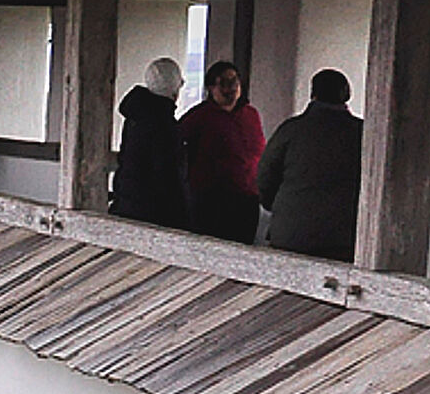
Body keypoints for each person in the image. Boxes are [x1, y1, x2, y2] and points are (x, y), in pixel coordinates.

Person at [257, 68, 362, 261]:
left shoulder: (291, 129)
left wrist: (280, 207)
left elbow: (265, 176)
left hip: (291, 235)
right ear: (346, 95)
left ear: (313, 94)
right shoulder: (361, 133)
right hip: (343, 237)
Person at [180, 60, 266, 244]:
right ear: (211, 88)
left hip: (247, 199)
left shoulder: (251, 115)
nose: (231, 88)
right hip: (212, 201)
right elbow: (176, 146)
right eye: (224, 83)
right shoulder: (199, 117)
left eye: (234, 82)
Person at [111, 57, 188, 227]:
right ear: (175, 90)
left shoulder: (135, 116)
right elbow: (168, 176)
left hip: (127, 205)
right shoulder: (165, 125)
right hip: (154, 213)